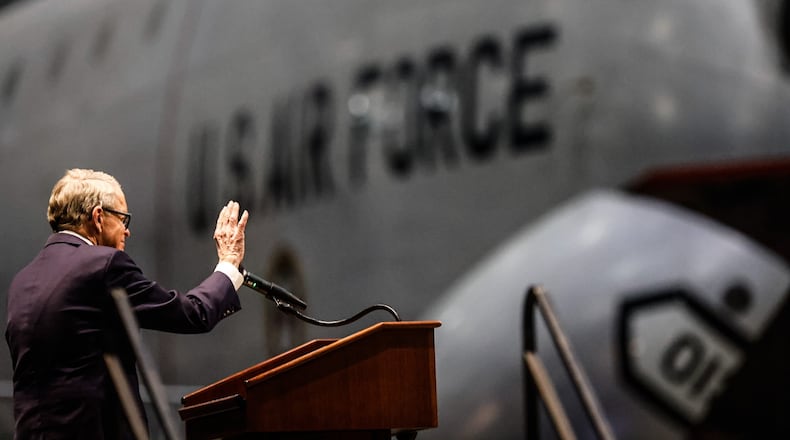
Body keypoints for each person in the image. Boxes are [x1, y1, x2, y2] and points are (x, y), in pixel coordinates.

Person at [5, 168, 250, 439]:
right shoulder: (103, 265)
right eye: (123, 219)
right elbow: (192, 313)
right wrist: (228, 265)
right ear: (98, 217)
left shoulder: (22, 281)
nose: (127, 231)